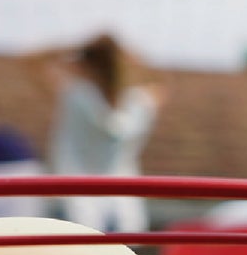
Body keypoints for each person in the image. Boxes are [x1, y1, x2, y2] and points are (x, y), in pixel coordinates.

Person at [46, 34, 162, 234]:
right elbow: (159, 79)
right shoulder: (78, 95)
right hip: (81, 195)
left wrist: (80, 48)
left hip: (112, 197)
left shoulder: (135, 101)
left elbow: (31, 61)